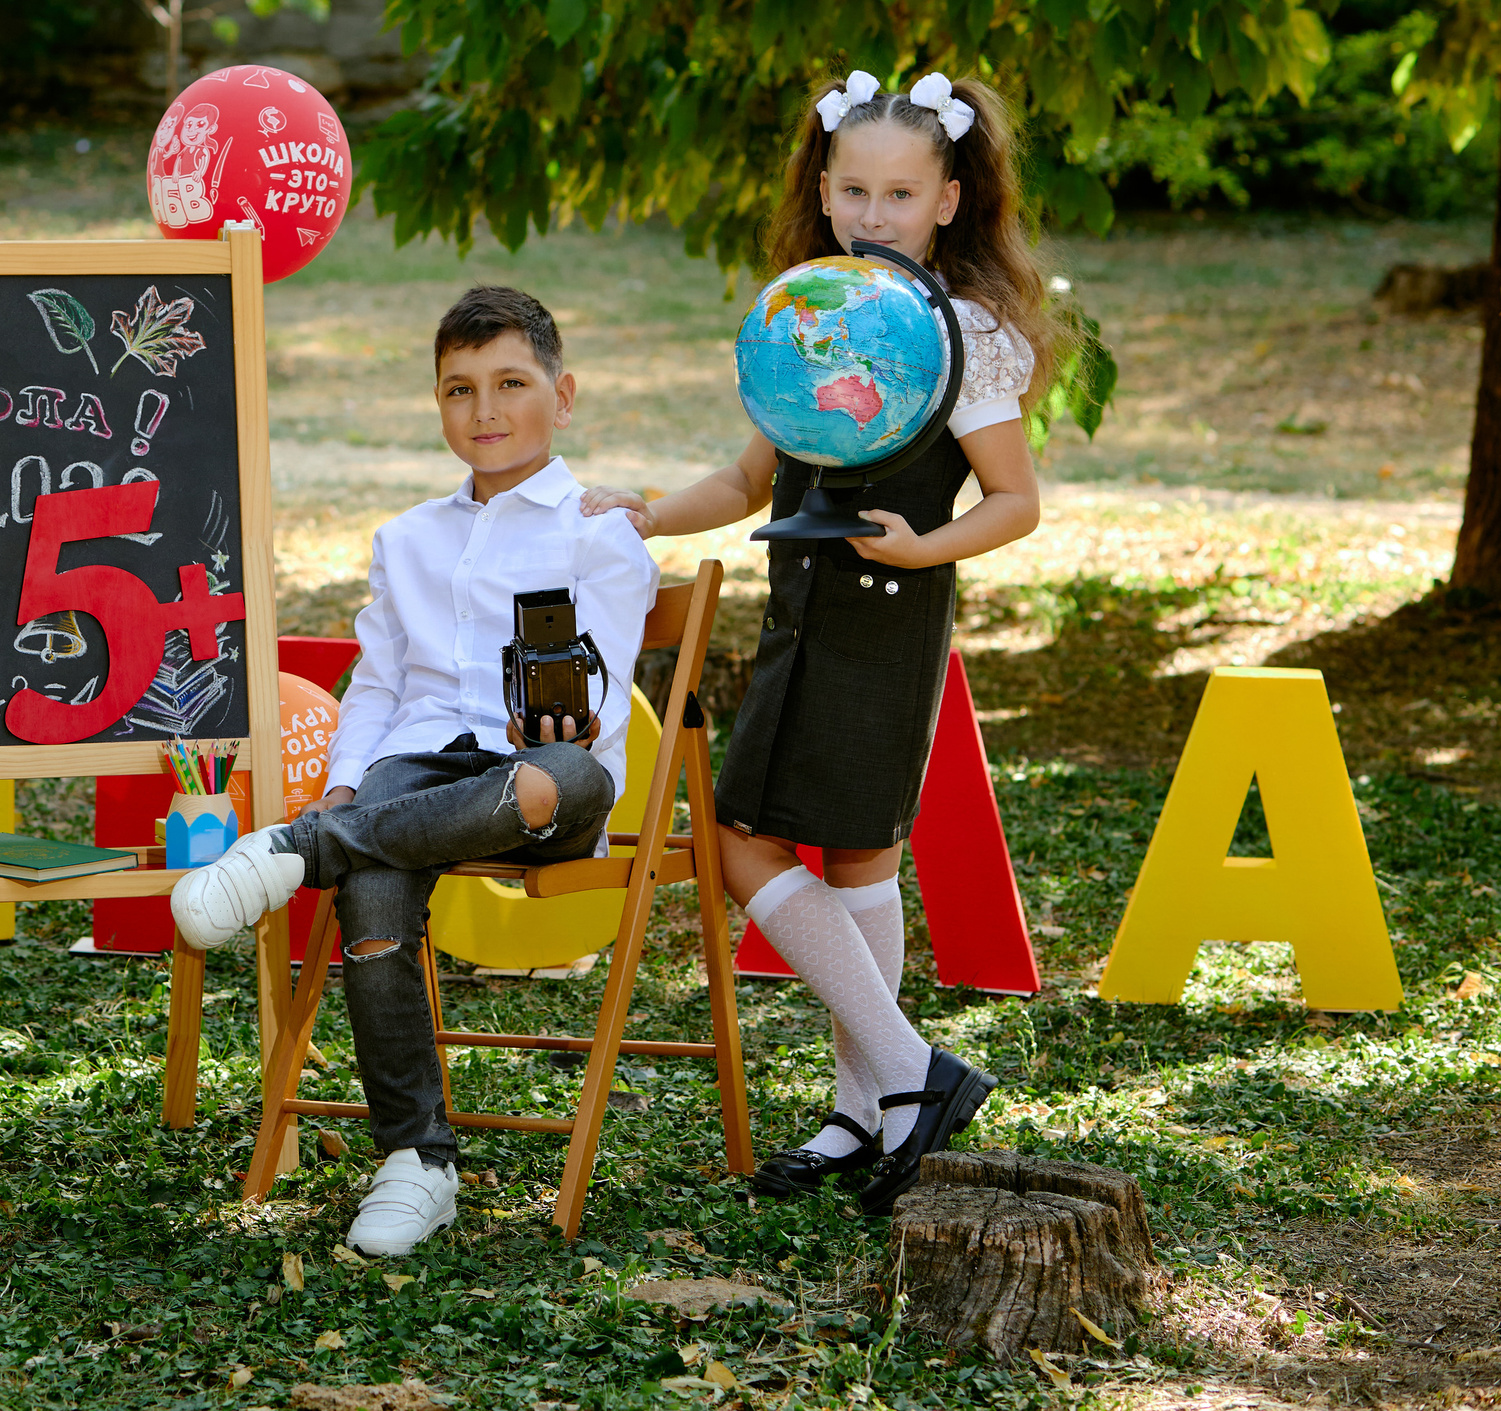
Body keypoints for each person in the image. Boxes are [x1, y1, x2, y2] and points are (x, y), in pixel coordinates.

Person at [582, 70, 1064, 1215]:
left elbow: (1015, 501)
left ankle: (902, 1076)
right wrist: (646, 511)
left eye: (899, 194)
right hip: (799, 619)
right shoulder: (810, 316)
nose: (872, 214)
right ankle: (874, 1112)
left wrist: (923, 547)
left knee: (764, 843)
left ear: (948, 199)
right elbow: (748, 479)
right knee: (833, 859)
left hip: (886, 621)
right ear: (824, 190)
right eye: (853, 190)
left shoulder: (963, 333)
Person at [171, 285, 656, 1257]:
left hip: (546, 782)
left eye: (510, 383)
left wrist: (553, 721)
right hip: (421, 769)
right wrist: (346, 784)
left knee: (551, 777)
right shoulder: (406, 539)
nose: (484, 409)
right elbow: (378, 686)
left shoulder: (598, 530)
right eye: (458, 389)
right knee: (377, 866)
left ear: (562, 397)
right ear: (437, 404)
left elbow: (597, 697)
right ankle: (416, 1160)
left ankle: (296, 851)